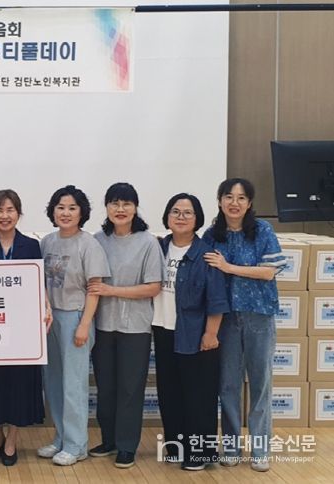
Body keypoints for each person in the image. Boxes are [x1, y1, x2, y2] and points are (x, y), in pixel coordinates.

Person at [202, 178, 285, 472]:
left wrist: (229, 267)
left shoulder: (262, 230)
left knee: (260, 384)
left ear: (249, 203)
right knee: (228, 385)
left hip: (258, 315)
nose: (234, 203)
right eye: (228, 196)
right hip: (225, 320)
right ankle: (231, 446)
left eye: (240, 198)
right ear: (220, 201)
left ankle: (260, 450)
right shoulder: (212, 235)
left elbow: (269, 272)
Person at [0, 189, 50, 467]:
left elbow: (38, 284)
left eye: (10, 210)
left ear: (19, 213)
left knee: (18, 383)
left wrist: (46, 307)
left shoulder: (31, 245)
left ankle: (12, 439)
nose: (5, 215)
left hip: (22, 329)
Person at [88, 182, 163, 469]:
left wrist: (112, 290)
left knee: (131, 388)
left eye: (126, 203)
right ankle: (108, 440)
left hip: (136, 328)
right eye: (114, 203)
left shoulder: (147, 242)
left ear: (135, 208)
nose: (120, 209)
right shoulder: (97, 240)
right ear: (106, 207)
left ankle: (127, 445)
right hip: (103, 324)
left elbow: (153, 287)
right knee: (105, 387)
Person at [152, 193, 229, 471]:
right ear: (167, 217)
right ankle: (175, 448)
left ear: (197, 219)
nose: (181, 217)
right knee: (169, 392)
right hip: (163, 330)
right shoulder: (158, 248)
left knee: (199, 396)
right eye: (175, 211)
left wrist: (211, 333)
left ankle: (199, 454)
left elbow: (217, 300)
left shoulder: (207, 254)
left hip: (196, 334)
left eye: (188, 212)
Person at [37, 185, 110, 466]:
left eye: (72, 208)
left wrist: (84, 325)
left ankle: (77, 445)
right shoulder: (47, 242)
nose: (65, 213)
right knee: (54, 382)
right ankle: (61, 438)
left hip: (76, 317)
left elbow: (95, 288)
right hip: (49, 318)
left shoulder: (88, 244)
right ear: (52, 211)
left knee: (74, 384)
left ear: (82, 212)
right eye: (60, 207)